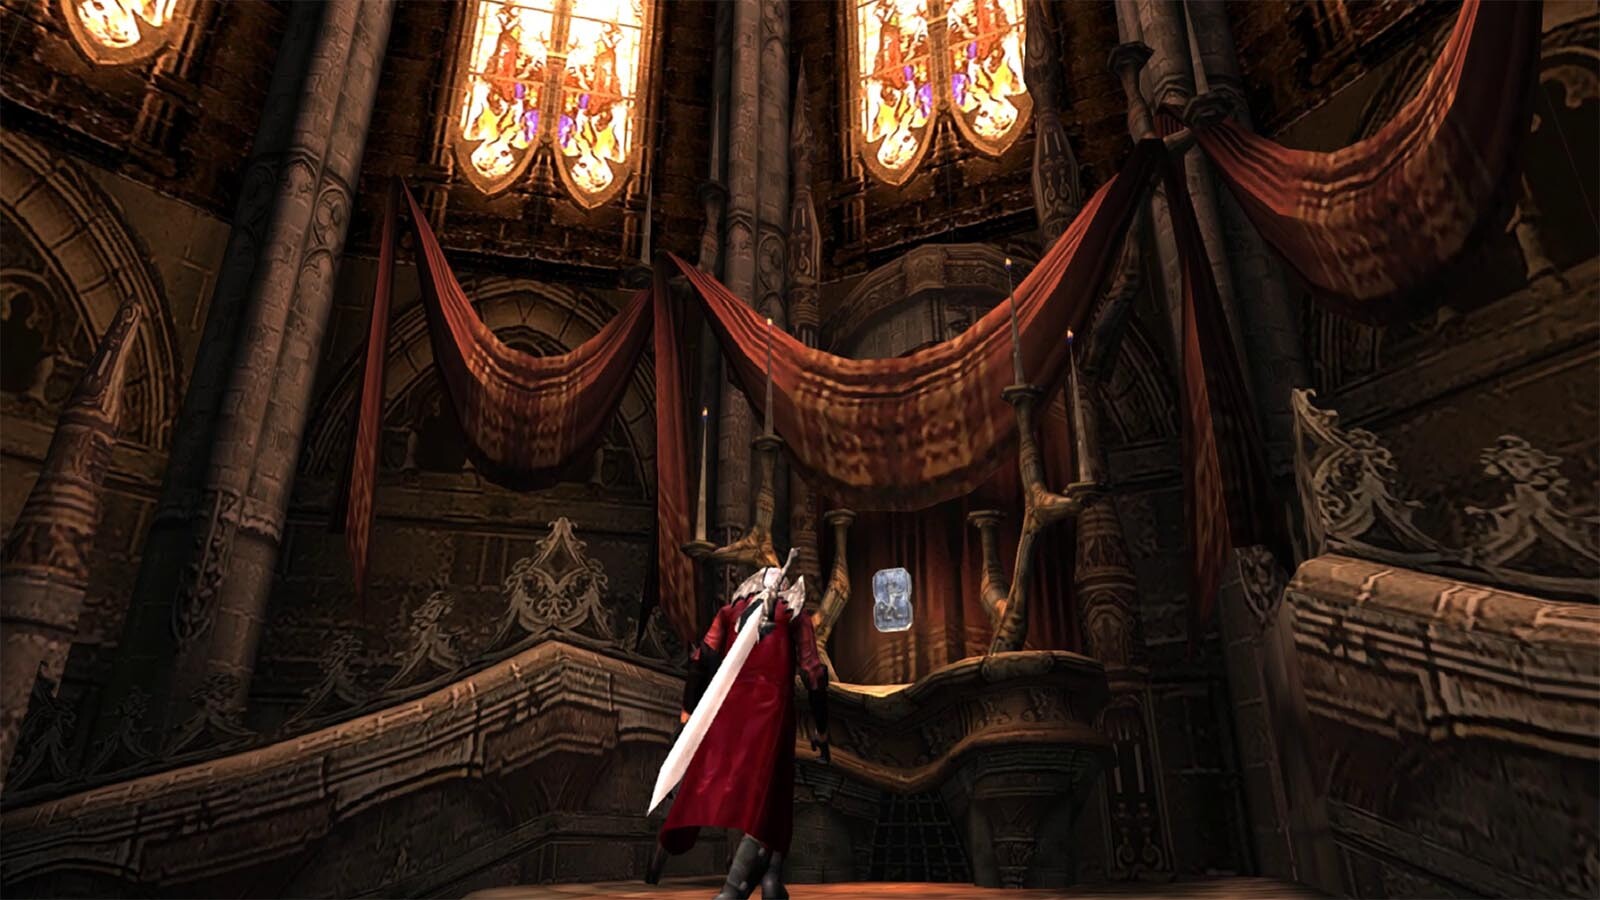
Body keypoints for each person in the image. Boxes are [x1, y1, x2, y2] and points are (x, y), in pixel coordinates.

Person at [646, 561, 831, 899]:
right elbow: (813, 672)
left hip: (727, 708)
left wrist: (688, 715)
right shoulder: (793, 613)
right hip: (771, 714)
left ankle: (768, 877)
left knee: (706, 781)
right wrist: (822, 730)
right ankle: (734, 890)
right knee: (768, 797)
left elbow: (701, 658)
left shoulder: (729, 612)